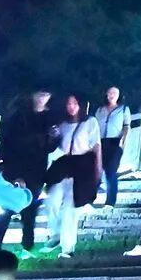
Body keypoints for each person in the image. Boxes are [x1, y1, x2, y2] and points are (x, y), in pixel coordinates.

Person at [0, 91, 55, 254]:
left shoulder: (49, 118)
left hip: (36, 171)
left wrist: (54, 138)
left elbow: (49, 147)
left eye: (46, 95)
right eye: (40, 94)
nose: (42, 98)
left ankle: (27, 246)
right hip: (14, 168)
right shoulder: (19, 116)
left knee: (30, 211)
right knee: (5, 210)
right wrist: (13, 172)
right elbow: (8, 145)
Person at [45, 95, 102, 258]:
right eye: (68, 103)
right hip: (64, 165)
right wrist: (53, 136)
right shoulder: (63, 124)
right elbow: (55, 145)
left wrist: (98, 170)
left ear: (80, 105)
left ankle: (67, 247)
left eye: (75, 103)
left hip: (83, 166)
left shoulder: (90, 122)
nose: (71, 107)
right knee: (52, 200)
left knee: (71, 208)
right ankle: (56, 233)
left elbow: (96, 147)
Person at [95, 87, 131, 209]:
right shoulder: (100, 109)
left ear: (119, 95)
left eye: (115, 93)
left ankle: (110, 201)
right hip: (100, 142)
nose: (112, 95)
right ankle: (89, 198)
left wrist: (123, 140)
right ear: (106, 94)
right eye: (110, 92)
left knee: (111, 171)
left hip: (115, 143)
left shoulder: (124, 109)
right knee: (97, 170)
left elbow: (126, 126)